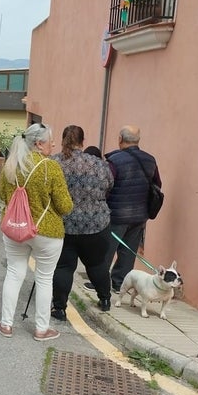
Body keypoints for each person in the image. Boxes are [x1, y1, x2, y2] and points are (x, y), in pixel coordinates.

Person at [0, 123, 73, 341]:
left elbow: (2, 195)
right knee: (45, 278)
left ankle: (6, 324)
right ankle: (41, 329)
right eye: (51, 140)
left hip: (14, 229)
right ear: (39, 144)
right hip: (46, 232)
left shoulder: (12, 166)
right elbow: (65, 206)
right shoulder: (51, 168)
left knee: (14, 273)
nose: (54, 144)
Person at [50, 126, 114, 321]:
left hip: (64, 224)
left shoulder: (54, 163)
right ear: (83, 141)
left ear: (63, 140)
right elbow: (109, 186)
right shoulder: (99, 164)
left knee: (63, 267)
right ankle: (105, 299)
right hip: (96, 224)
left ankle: (59, 308)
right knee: (97, 264)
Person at [101, 125, 161, 293]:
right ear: (138, 140)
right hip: (140, 215)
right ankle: (120, 283)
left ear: (120, 139)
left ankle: (100, 282)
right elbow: (157, 184)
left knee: (107, 249)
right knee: (129, 251)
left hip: (116, 214)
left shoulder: (114, 161)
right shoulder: (150, 160)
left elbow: (105, 186)